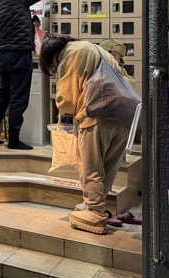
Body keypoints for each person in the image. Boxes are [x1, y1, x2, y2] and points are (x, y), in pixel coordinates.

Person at [39, 36, 130, 235]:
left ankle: (95, 213)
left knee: (92, 166)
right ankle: (94, 204)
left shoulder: (72, 54)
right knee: (109, 166)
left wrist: (62, 107)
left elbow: (68, 100)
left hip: (97, 113)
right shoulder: (99, 51)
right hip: (124, 116)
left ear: (52, 57)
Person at [0, 0, 55, 149]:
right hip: (19, 54)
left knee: (4, 95)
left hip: (4, 55)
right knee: (19, 97)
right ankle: (14, 140)